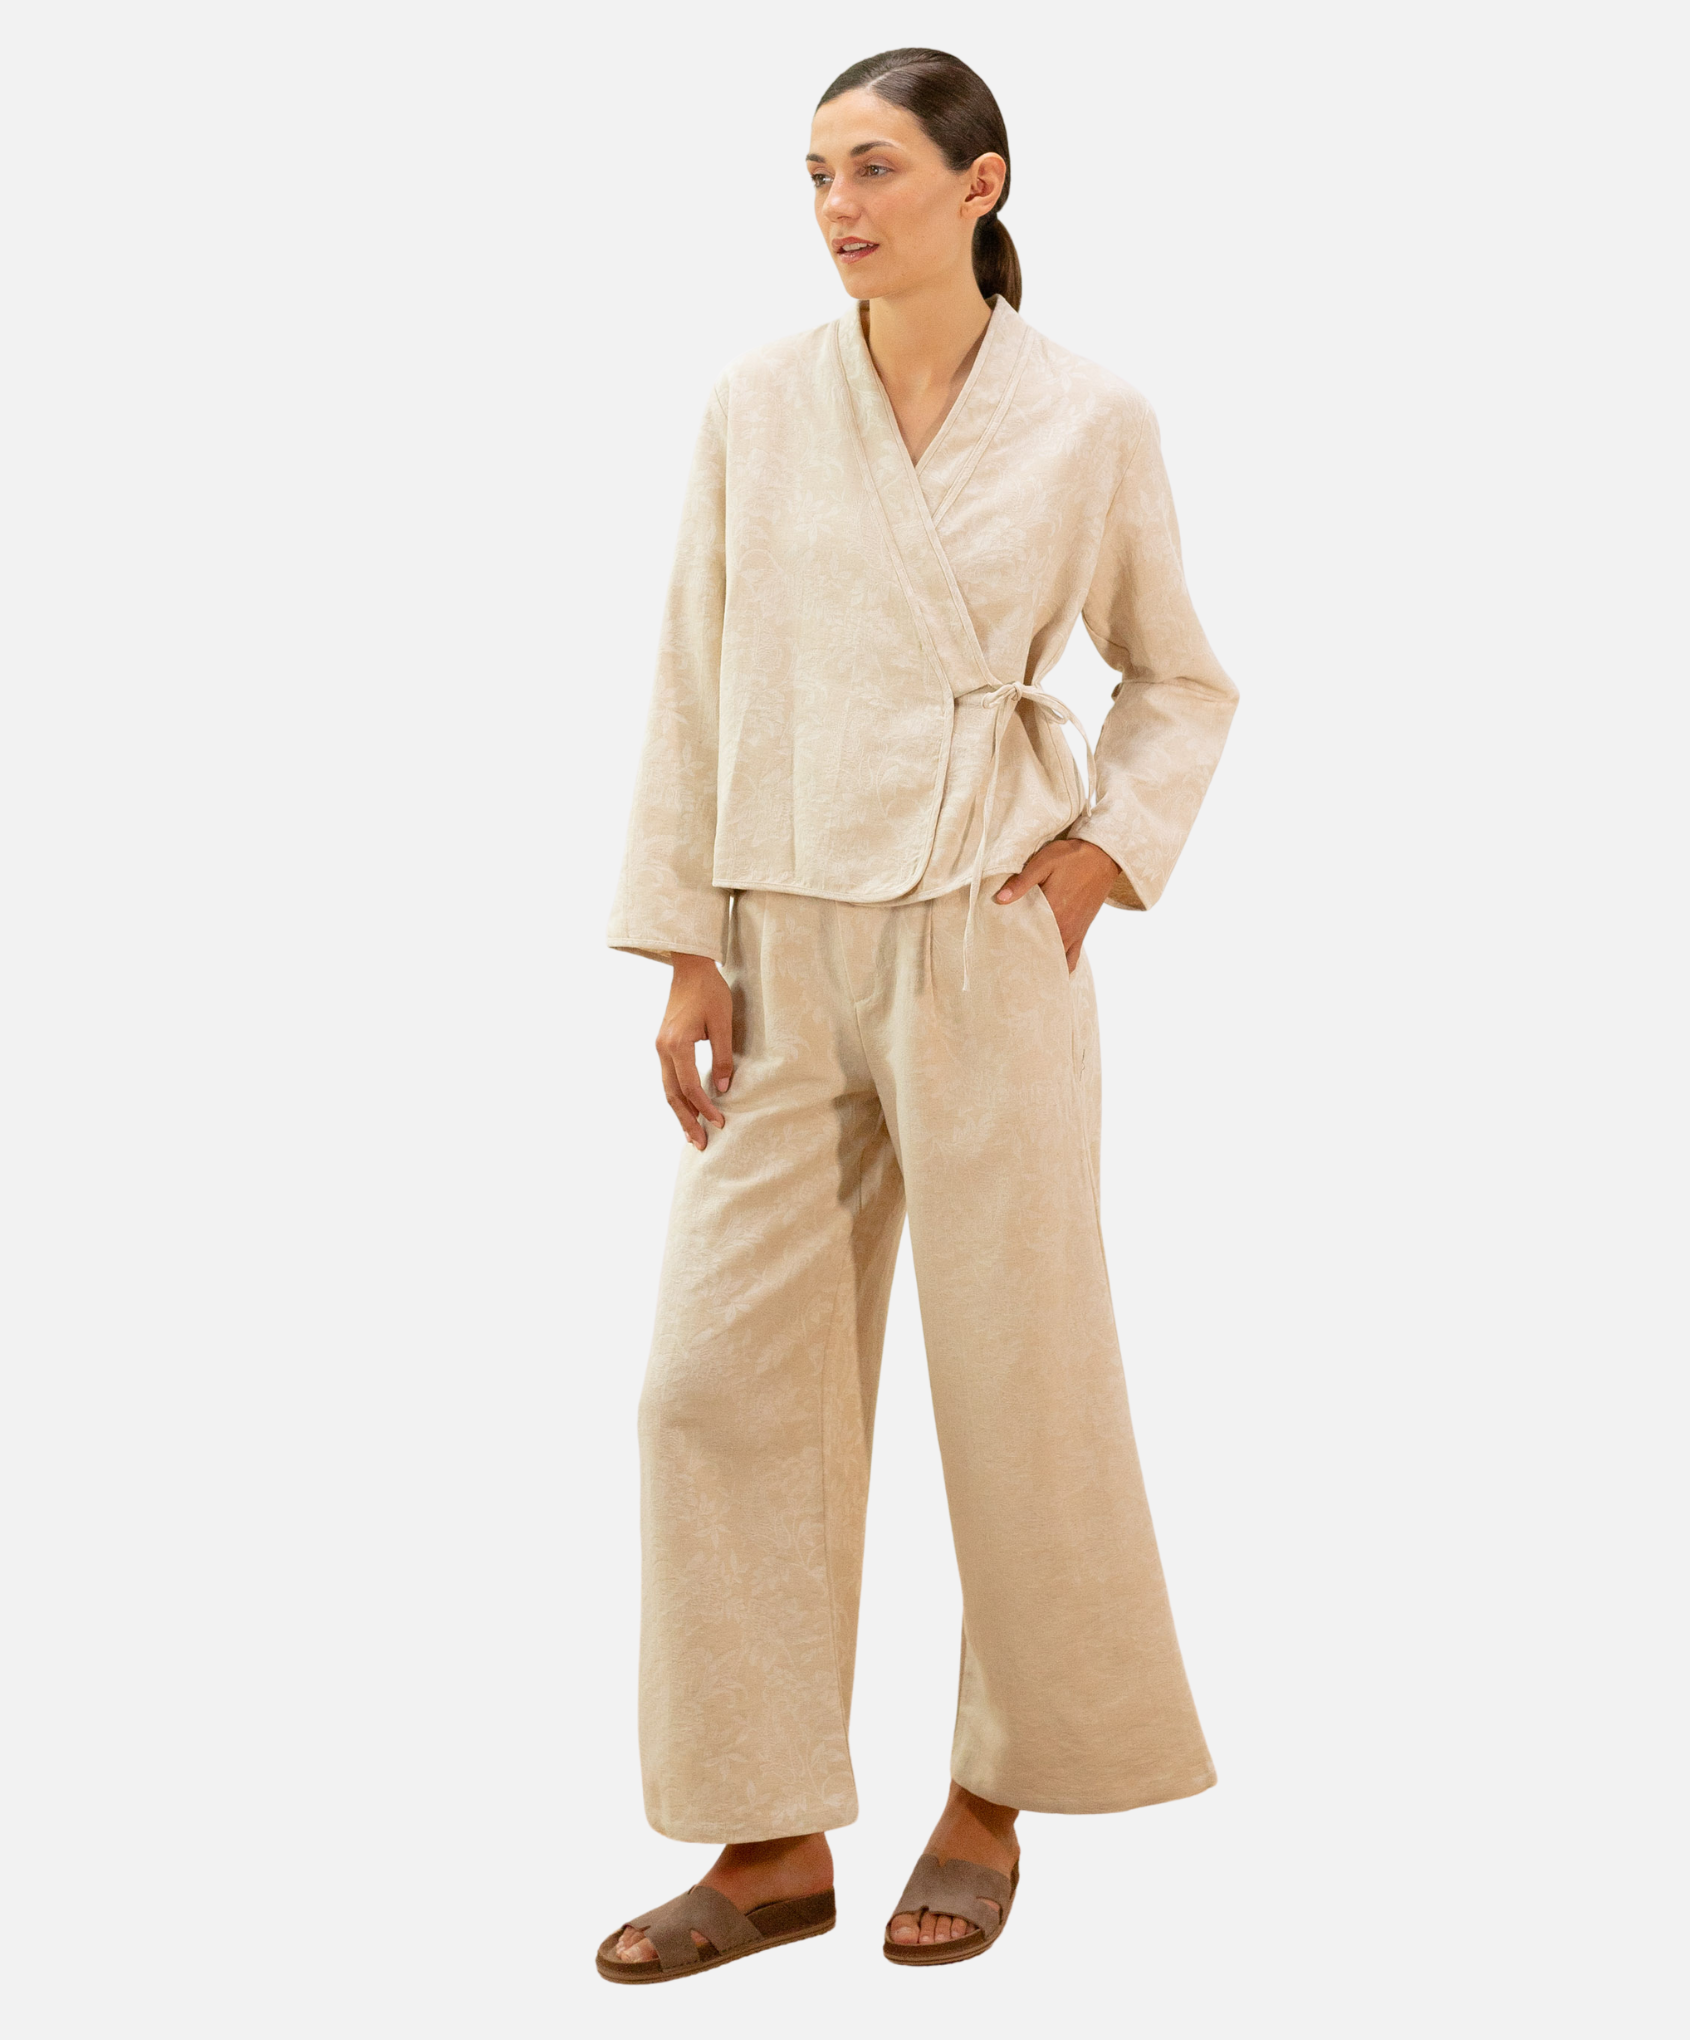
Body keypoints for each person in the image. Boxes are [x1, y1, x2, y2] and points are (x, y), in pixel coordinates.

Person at [597, 48, 1238, 1983]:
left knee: (1017, 1383)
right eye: (815, 175)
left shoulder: (1089, 418)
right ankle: (771, 1834)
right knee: (710, 1384)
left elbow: (1181, 681)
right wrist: (687, 943)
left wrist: (1094, 864)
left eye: (873, 169)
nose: (837, 210)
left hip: (983, 935)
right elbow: (696, 668)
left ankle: (992, 1797)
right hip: (784, 943)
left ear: (981, 184)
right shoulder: (757, 405)